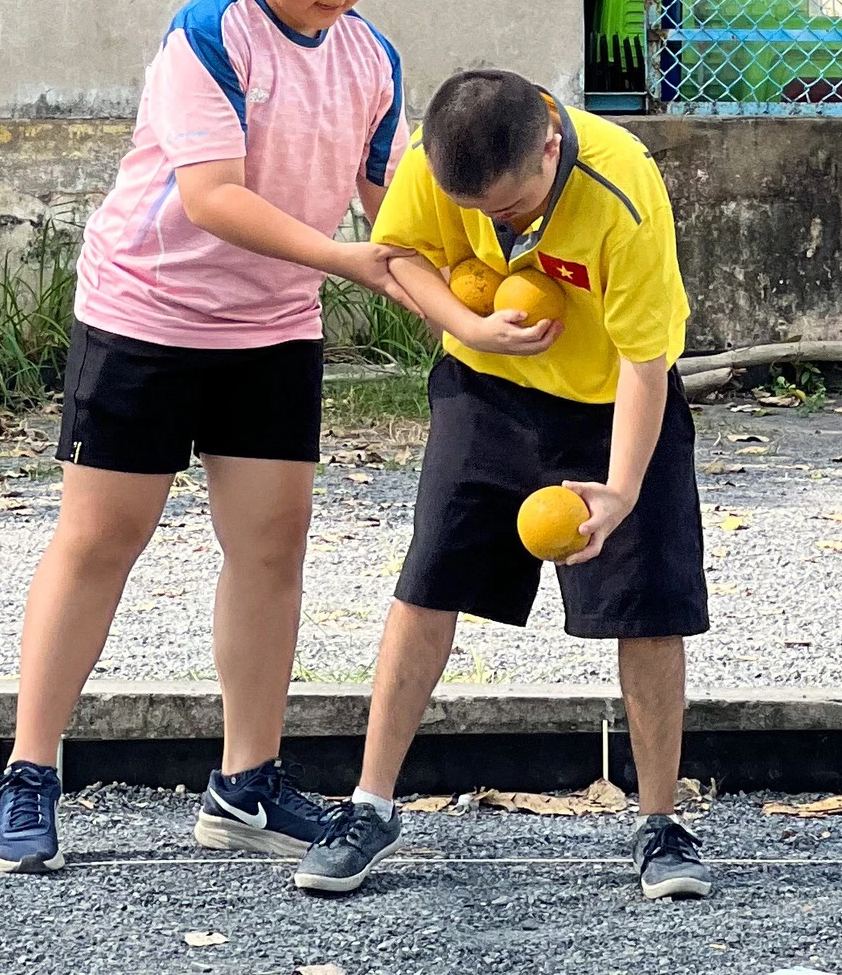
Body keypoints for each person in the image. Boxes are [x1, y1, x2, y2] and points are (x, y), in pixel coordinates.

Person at [0, 0, 414, 873]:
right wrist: (349, 263)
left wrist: (463, 292)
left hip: (270, 330)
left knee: (269, 550)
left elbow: (389, 201)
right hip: (146, 313)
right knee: (100, 540)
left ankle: (244, 785)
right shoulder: (207, 34)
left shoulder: (371, 57)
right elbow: (213, 195)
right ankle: (29, 771)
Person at [293, 70, 711, 900]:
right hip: (484, 388)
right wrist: (467, 324)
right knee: (427, 584)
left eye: (511, 210)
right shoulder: (436, 156)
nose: (494, 225)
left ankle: (660, 821)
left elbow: (643, 363)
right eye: (478, 211)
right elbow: (398, 253)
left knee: (651, 606)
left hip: (607, 403)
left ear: (551, 144)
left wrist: (622, 490)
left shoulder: (623, 188)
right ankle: (371, 805)